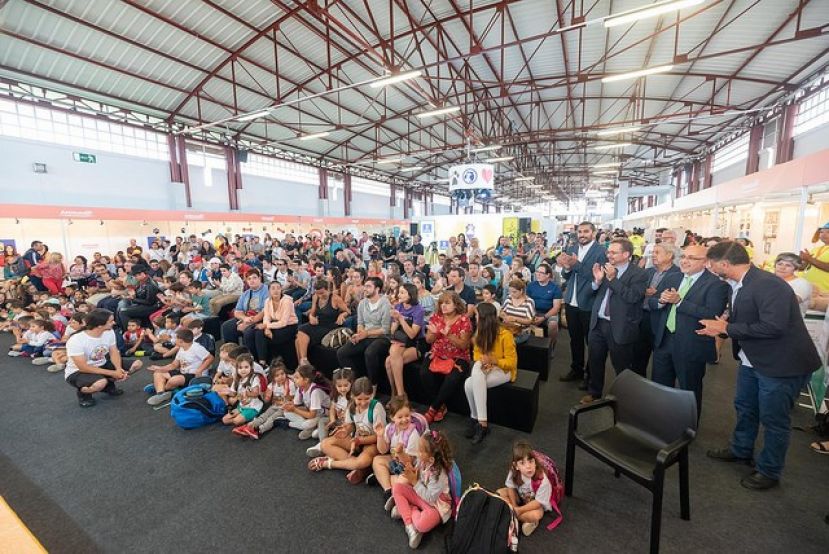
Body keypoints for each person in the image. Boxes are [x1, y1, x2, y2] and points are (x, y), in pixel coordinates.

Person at [698, 241, 821, 490]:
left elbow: (773, 326)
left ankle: (769, 470)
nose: (710, 269)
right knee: (745, 407)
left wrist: (727, 328)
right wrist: (724, 325)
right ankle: (741, 449)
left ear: (725, 264)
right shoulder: (738, 283)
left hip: (781, 363)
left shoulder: (768, 285)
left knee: (774, 419)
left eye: (712, 265)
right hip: (752, 359)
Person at [650, 245, 730, 420]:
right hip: (664, 341)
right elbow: (652, 301)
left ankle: (687, 429)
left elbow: (712, 314)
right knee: (660, 387)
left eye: (692, 258)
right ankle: (659, 423)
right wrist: (661, 301)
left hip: (691, 345)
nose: (685, 261)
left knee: (689, 390)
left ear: (706, 262)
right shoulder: (673, 277)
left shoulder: (717, 285)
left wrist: (679, 302)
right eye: (684, 257)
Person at [582, 238, 648, 404]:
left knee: (621, 365)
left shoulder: (639, 274)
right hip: (598, 323)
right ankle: (594, 392)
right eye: (608, 252)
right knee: (595, 360)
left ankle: (623, 398)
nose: (609, 255)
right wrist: (597, 281)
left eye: (613, 252)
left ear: (626, 254)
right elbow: (589, 294)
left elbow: (632, 297)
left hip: (620, 326)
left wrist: (613, 279)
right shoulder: (604, 268)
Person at [556, 222, 608, 384]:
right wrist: (566, 267)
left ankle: (590, 377)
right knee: (575, 339)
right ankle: (576, 369)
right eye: (580, 232)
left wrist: (576, 265)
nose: (582, 235)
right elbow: (567, 276)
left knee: (591, 342)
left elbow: (597, 277)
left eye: (586, 231)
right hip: (571, 301)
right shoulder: (572, 248)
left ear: (593, 233)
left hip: (588, 302)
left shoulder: (601, 252)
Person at [308, 377, 386, 483]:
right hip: (356, 440)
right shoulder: (351, 407)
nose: (363, 403)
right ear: (353, 396)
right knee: (325, 444)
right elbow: (351, 425)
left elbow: (380, 436)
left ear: (372, 395)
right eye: (359, 399)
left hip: (372, 443)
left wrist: (359, 441)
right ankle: (357, 467)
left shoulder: (377, 408)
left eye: (367, 399)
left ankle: (329, 463)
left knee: (362, 461)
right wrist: (345, 431)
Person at [389, 430, 454, 550]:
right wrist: (410, 467)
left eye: (420, 451)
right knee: (397, 488)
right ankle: (410, 526)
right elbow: (414, 469)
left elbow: (430, 498)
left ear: (431, 460)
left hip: (436, 506)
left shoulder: (439, 475)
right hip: (421, 494)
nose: (417, 452)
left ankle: (407, 510)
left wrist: (414, 481)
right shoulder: (423, 461)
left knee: (422, 525)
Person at [64, 309, 139, 408]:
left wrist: (118, 369)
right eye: (111, 321)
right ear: (99, 325)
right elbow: (83, 367)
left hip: (101, 364)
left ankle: (108, 385)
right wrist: (113, 373)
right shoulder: (76, 340)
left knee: (137, 364)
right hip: (77, 372)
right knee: (100, 383)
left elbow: (114, 352)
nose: (114, 323)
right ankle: (83, 393)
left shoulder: (109, 332)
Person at [464, 302, 517, 444]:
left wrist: (494, 361)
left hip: (504, 370)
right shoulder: (479, 333)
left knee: (470, 383)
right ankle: (479, 421)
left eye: (476, 316)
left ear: (484, 318)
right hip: (486, 368)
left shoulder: (505, 335)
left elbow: (511, 363)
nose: (475, 318)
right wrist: (484, 360)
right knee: (470, 381)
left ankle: (480, 421)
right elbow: (476, 354)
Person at [420, 291, 472, 424]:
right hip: (437, 353)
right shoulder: (436, 317)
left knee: (452, 378)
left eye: (447, 303)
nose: (443, 305)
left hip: (458, 357)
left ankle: (433, 409)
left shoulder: (464, 320)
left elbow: (464, 345)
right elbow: (428, 340)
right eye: (441, 303)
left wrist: (448, 334)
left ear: (456, 304)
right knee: (424, 373)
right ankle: (441, 406)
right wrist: (435, 333)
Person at [632, 242, 682, 376]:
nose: (653, 255)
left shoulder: (679, 274)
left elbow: (676, 296)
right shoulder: (648, 272)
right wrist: (643, 291)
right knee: (638, 356)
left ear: (670, 255)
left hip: (662, 321)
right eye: (653, 252)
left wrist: (656, 294)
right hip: (642, 317)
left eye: (657, 252)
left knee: (661, 363)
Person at [373, 395, 426, 511]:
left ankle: (386, 480)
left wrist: (401, 453)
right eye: (400, 417)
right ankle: (388, 490)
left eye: (407, 416)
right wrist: (380, 436)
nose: (404, 419)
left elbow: (409, 462)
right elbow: (382, 450)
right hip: (396, 461)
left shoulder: (413, 434)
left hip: (410, 467)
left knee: (403, 481)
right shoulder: (390, 428)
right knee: (377, 460)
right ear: (392, 417)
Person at [336, 276, 392, 387]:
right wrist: (359, 334)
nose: (365, 289)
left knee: (370, 352)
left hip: (381, 337)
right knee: (342, 352)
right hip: (365, 335)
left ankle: (373, 384)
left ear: (377, 289)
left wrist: (366, 334)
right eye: (365, 286)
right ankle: (356, 381)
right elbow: (360, 323)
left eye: (368, 286)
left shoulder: (385, 304)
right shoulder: (362, 303)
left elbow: (385, 329)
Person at [497, 441, 555, 537]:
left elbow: (538, 503)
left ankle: (510, 515)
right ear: (516, 466)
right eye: (522, 463)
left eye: (531, 461)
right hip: (521, 497)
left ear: (535, 462)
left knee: (536, 515)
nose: (528, 466)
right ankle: (522, 519)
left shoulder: (543, 481)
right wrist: (515, 505)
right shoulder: (514, 472)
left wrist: (519, 510)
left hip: (534, 504)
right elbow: (510, 487)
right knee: (499, 493)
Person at [146, 328, 214, 406]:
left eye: (176, 338)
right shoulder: (181, 348)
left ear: (181, 341)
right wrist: (160, 368)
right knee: (157, 373)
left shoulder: (196, 348)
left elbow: (210, 358)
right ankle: (161, 394)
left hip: (194, 375)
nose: (174, 340)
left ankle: (160, 386)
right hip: (182, 373)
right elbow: (174, 365)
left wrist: (200, 370)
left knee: (173, 380)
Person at [385, 283, 425, 397]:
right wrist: (396, 321)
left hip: (416, 344)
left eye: (402, 293)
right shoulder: (398, 307)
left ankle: (399, 395)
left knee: (391, 360)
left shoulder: (419, 310)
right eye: (399, 292)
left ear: (410, 295)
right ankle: (396, 393)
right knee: (389, 361)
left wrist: (401, 319)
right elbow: (392, 331)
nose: (399, 295)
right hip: (401, 340)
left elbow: (412, 335)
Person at [220, 270, 269, 361]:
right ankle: (234, 356)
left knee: (248, 331)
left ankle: (251, 360)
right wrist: (245, 318)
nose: (252, 281)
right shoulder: (246, 293)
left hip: (261, 319)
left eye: (254, 278)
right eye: (249, 279)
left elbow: (265, 311)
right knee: (227, 326)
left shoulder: (266, 290)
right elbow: (237, 311)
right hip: (247, 317)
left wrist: (248, 323)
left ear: (260, 278)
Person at [253, 281, 298, 368]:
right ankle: (262, 362)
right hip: (275, 324)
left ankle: (276, 364)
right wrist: (267, 328)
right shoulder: (267, 301)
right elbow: (266, 317)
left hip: (289, 326)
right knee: (259, 332)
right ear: (269, 291)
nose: (276, 290)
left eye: (278, 288)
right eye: (273, 288)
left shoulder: (287, 301)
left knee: (269, 337)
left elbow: (283, 322)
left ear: (281, 290)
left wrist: (266, 326)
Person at [284, 363, 331, 441]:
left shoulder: (315, 391)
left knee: (306, 425)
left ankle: (295, 425)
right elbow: (295, 404)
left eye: (297, 378)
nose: (294, 380)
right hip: (311, 411)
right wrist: (288, 405)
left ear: (306, 380)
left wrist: (294, 410)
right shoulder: (300, 388)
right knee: (286, 412)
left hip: (323, 415)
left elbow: (312, 415)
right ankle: (311, 427)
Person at [221, 354, 263, 427]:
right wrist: (225, 392)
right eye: (240, 367)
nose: (243, 370)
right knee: (225, 420)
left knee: (236, 421)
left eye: (246, 367)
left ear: (251, 367)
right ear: (237, 368)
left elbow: (256, 393)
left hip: (253, 407)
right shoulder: (237, 380)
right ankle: (244, 418)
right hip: (241, 407)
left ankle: (249, 420)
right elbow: (233, 393)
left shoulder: (254, 378)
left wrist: (246, 393)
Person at [526, 263, 563, 341]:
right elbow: (527, 302)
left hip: (549, 313)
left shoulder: (555, 288)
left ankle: (551, 344)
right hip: (533, 312)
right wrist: (533, 315)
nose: (538, 274)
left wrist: (543, 318)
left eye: (541, 273)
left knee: (553, 324)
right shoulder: (531, 285)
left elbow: (556, 308)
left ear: (548, 275)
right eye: (537, 272)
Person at [117, 265, 161, 330]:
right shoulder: (142, 281)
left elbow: (149, 302)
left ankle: (129, 332)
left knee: (123, 312)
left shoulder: (150, 285)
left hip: (152, 307)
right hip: (143, 303)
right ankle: (121, 329)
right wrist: (133, 295)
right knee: (121, 306)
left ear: (142, 274)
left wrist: (133, 299)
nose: (135, 277)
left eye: (136, 275)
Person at [800, 222, 829, 311]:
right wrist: (804, 259)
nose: (823, 234)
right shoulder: (816, 249)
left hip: (824, 292)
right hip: (809, 289)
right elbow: (802, 268)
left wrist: (809, 259)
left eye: (828, 232)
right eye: (821, 232)